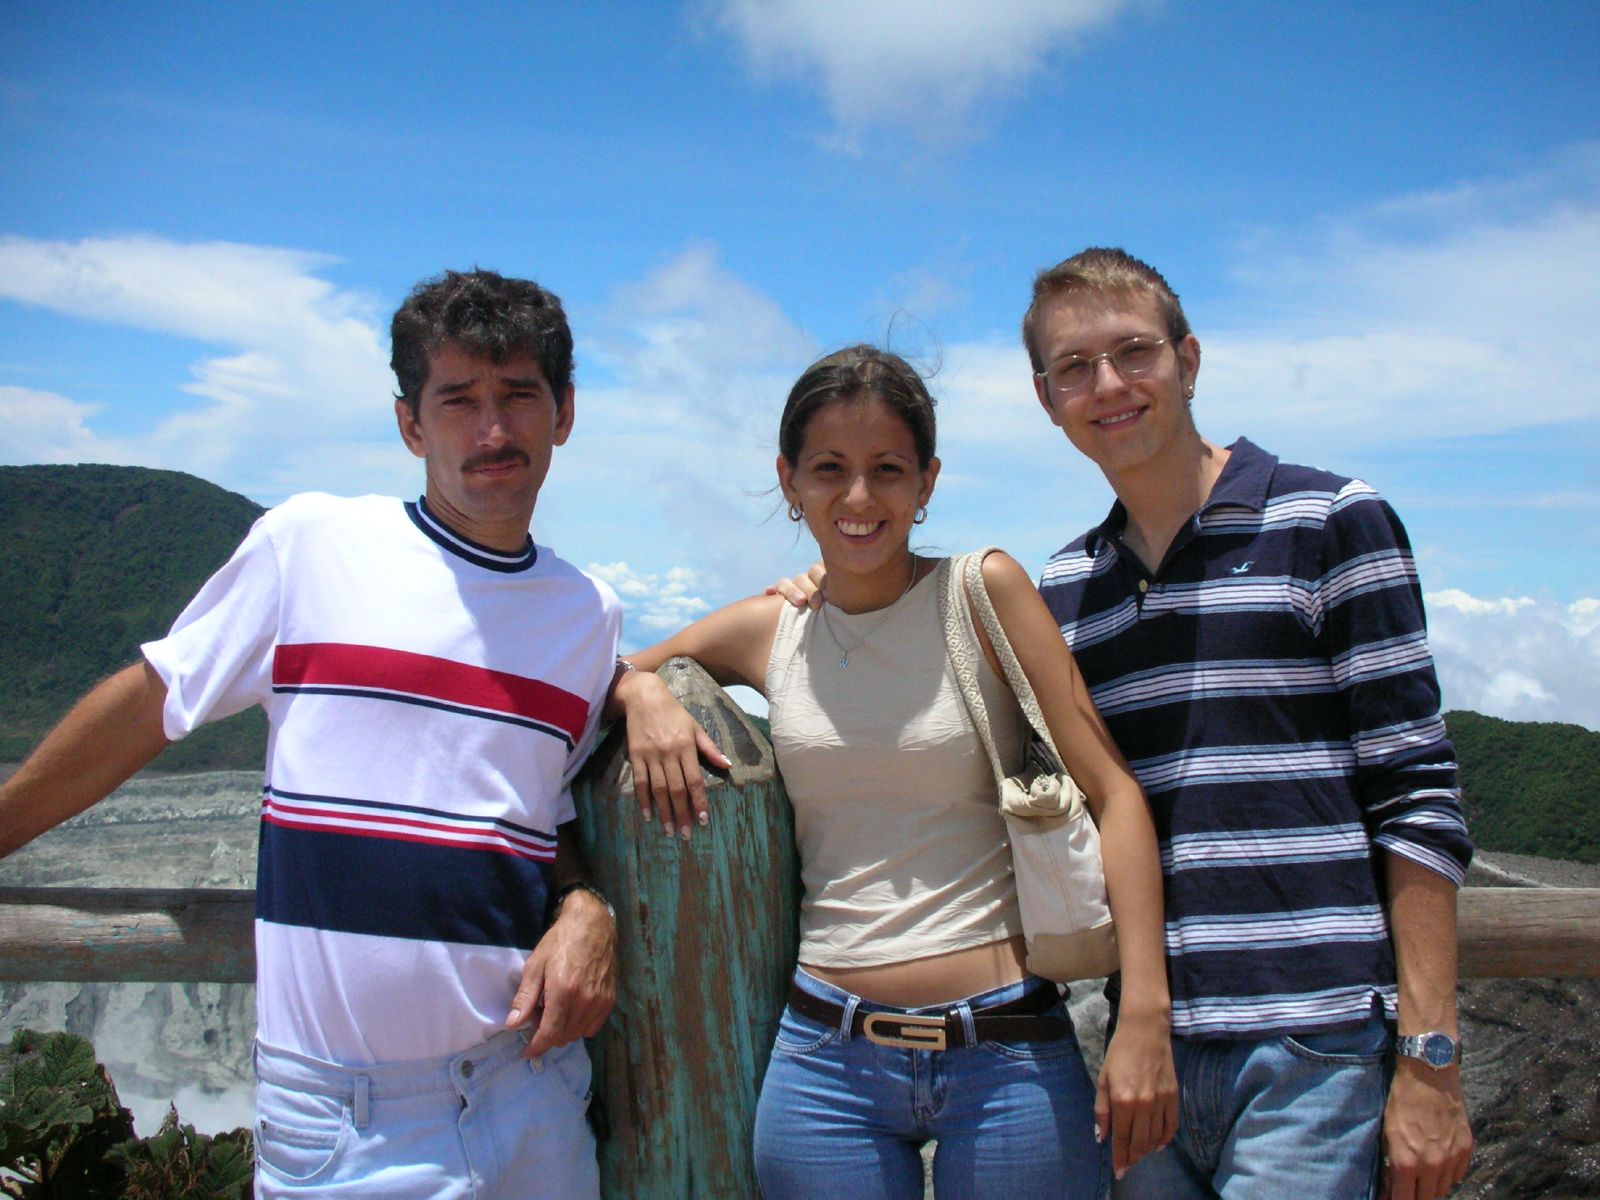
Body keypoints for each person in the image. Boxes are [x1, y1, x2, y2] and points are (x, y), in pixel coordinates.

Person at [783, 250, 1475, 1199]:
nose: (1107, 385)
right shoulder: (1066, 591)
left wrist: (1429, 1057)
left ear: (1188, 359)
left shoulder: (1331, 520)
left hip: (1312, 1046)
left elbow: (1417, 796)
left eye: (1133, 352)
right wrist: (826, 588)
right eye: (1075, 367)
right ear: (1045, 396)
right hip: (1141, 1059)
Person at [0, 269, 621, 1199]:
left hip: (525, 1096)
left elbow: (534, 813)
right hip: (344, 1122)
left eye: (519, 396)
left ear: (563, 413)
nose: (493, 430)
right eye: (459, 400)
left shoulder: (588, 615)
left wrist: (585, 904)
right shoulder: (311, 548)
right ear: (411, 424)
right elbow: (148, 704)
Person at [612, 345, 1177, 1200]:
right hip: (824, 1063)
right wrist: (640, 696)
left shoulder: (982, 591)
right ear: (788, 478)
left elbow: (1116, 794)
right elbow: (610, 673)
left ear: (928, 480)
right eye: (829, 470)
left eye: (888, 470)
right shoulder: (773, 628)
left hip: (1006, 1053)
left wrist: (1143, 1014)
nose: (859, 499)